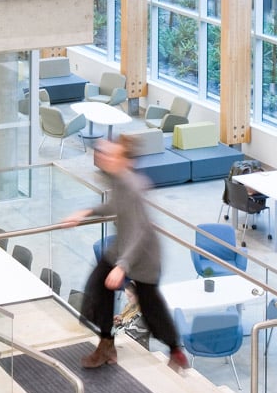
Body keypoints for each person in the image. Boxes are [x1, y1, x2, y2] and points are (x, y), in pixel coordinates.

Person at [59, 138, 188, 372]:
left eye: (113, 155)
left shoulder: (132, 186)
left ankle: (175, 350)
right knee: (98, 288)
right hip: (122, 248)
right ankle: (106, 344)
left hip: (142, 254)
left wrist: (123, 266)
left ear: (126, 161)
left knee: (150, 305)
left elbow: (139, 231)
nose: (106, 158)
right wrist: (86, 212)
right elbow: (113, 207)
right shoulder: (118, 180)